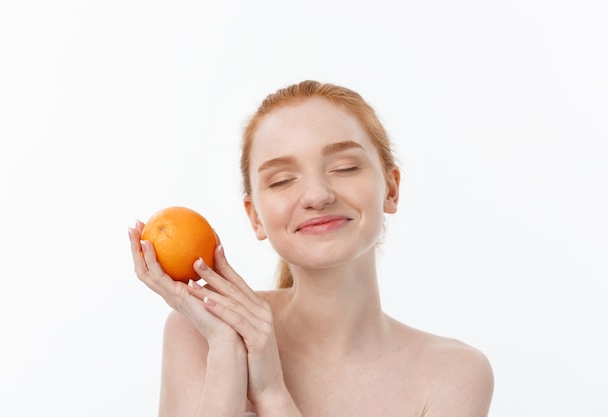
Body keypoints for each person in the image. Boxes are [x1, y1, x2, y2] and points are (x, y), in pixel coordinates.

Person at [129, 80, 494, 417]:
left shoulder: (455, 375)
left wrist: (272, 393)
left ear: (391, 189)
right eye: (283, 180)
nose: (318, 195)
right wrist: (226, 350)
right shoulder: (199, 333)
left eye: (346, 167)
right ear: (255, 217)